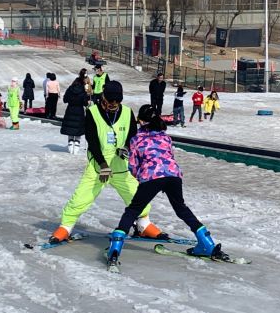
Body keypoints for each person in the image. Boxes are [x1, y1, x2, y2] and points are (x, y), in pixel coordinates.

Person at [49, 81, 167, 244]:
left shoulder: (127, 112)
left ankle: (143, 224)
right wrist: (103, 165)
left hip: (120, 167)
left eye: (117, 101)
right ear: (103, 97)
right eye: (110, 101)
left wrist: (126, 147)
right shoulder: (92, 113)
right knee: (81, 197)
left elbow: (132, 133)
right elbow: (92, 140)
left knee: (136, 196)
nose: (113, 104)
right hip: (98, 168)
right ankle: (66, 226)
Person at [106, 105, 220, 265]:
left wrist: (141, 178)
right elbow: (168, 156)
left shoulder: (136, 139)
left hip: (152, 175)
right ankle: (207, 243)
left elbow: (132, 166)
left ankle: (116, 246)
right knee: (181, 209)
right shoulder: (166, 137)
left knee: (133, 210)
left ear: (140, 120)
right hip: (173, 175)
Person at [60, 76, 90, 154]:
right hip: (79, 111)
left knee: (70, 128)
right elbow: (85, 103)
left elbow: (65, 100)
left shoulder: (70, 89)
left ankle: (70, 144)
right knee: (78, 129)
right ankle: (76, 144)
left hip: (70, 110)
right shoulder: (83, 90)